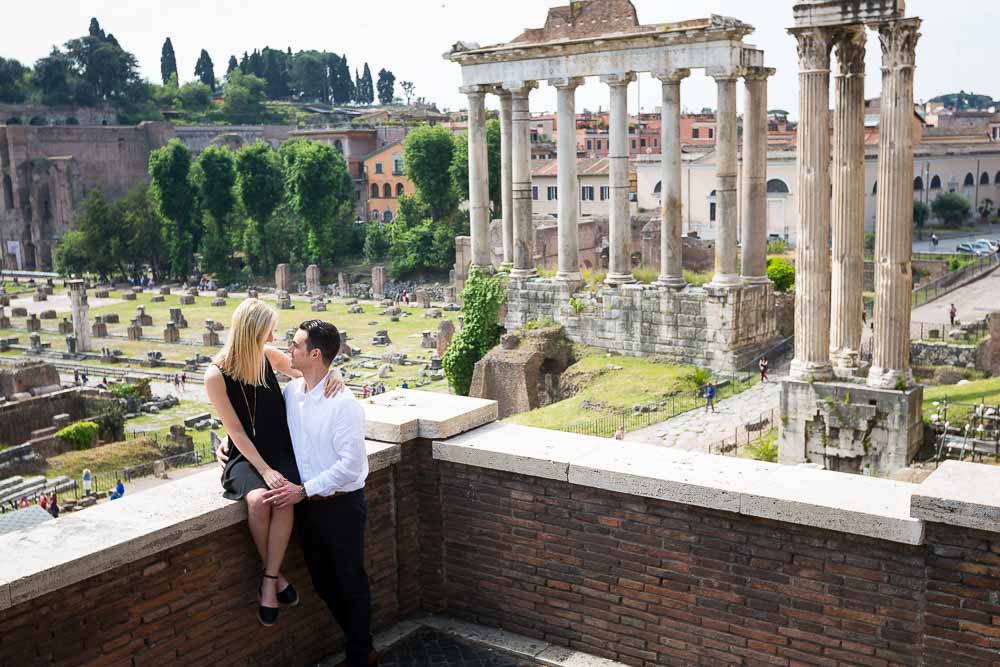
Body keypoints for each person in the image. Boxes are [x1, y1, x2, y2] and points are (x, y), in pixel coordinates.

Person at [219, 320, 379, 666]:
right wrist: (228, 442)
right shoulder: (291, 394)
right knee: (322, 582)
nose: (288, 349)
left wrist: (305, 489)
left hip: (341, 506)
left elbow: (351, 467)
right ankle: (362, 646)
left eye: (295, 345)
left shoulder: (343, 404)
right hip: (306, 507)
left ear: (315, 354)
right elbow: (259, 425)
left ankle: (359, 654)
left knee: (351, 580)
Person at [205, 299, 343, 627]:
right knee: (258, 499)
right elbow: (235, 431)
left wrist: (332, 373)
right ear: (254, 330)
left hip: (280, 447)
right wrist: (264, 471)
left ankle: (268, 581)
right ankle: (276, 576)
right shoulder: (215, 374)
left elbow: (305, 370)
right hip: (246, 454)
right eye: (270, 327)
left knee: (282, 500)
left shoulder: (266, 355)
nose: (274, 333)